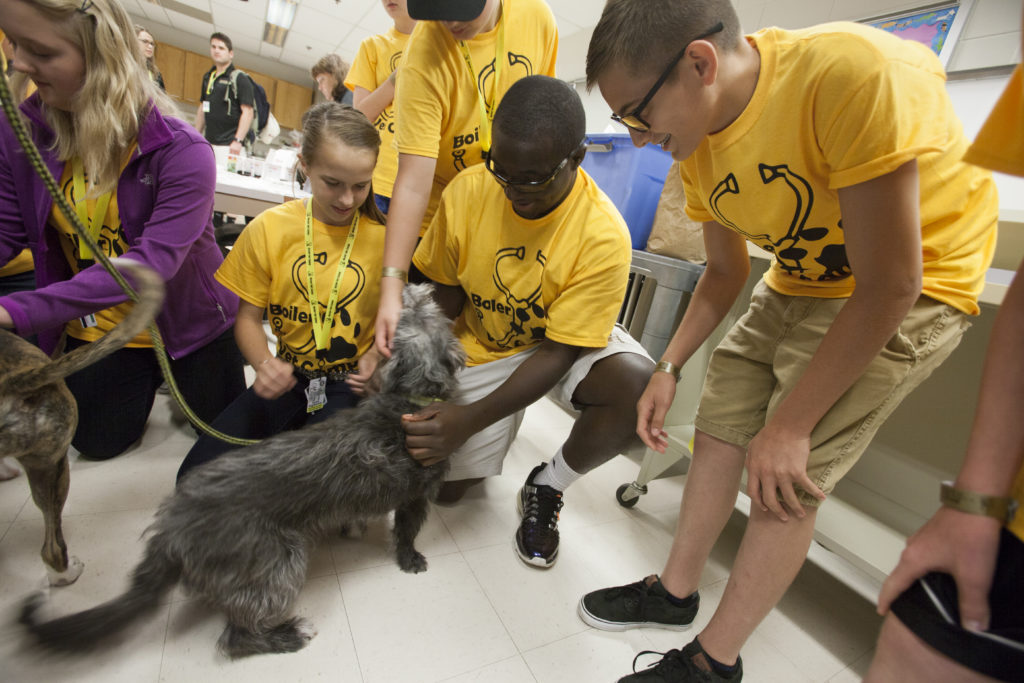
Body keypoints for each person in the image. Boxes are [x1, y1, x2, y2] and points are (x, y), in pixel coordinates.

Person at [578, 1, 999, 681]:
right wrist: (668, 364)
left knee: (783, 474)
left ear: (700, 63)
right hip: (804, 275)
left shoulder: (850, 75)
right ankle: (675, 593)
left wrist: (793, 424)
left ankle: (715, 662)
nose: (633, 136)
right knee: (719, 426)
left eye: (636, 112)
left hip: (913, 284)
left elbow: (890, 284)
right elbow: (724, 270)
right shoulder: (696, 137)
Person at [405, 75, 653, 568]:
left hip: (555, 346)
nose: (516, 193)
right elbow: (444, 293)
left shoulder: (604, 235)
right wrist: (419, 374)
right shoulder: (470, 189)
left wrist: (469, 420)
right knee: (447, 491)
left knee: (635, 386)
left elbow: (559, 351)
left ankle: (547, 485)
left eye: (534, 179)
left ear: (577, 159)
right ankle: (495, 427)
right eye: (504, 172)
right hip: (483, 339)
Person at [0, 0, 246, 461]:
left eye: (43, 53)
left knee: (219, 435)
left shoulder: (182, 151)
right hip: (103, 325)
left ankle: (172, 368)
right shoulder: (20, 133)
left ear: (103, 57)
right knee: (94, 441)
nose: (19, 64)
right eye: (16, 45)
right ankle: (146, 373)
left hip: (190, 320)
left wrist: (13, 310)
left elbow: (150, 267)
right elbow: (5, 231)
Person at [866, 9, 1024, 681]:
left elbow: (900, 279)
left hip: (933, 287)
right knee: (914, 653)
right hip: (1011, 521)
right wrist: (977, 497)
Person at [177, 102, 388, 481]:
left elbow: (401, 321)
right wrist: (264, 364)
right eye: (332, 183)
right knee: (196, 478)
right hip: (289, 376)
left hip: (349, 383)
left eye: (360, 186)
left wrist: (376, 358)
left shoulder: (388, 240)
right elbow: (247, 319)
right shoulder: (269, 229)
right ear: (304, 165)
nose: (346, 200)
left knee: (308, 484)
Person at [373, 0, 558, 357]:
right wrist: (392, 286)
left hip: (505, 219)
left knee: (494, 343)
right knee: (419, 354)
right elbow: (412, 182)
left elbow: (542, 117)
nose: (451, 21)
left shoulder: (537, 18)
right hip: (438, 226)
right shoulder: (424, 56)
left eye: (462, 7)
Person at [344, 0, 417, 215]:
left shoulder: (441, 47)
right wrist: (397, 79)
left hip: (421, 181)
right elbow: (360, 118)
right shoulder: (372, 47)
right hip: (377, 178)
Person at [194, 32, 253, 161]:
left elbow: (248, 112)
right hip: (208, 144)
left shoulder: (240, 78)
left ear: (230, 54)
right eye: (213, 47)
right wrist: (195, 136)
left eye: (221, 48)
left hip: (230, 147)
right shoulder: (208, 77)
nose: (216, 51)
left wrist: (238, 141)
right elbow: (203, 107)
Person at [134, 24, 164, 91]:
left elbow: (161, 98)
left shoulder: (155, 74)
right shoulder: (124, 66)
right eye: (145, 41)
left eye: (152, 44)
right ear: (133, 41)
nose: (150, 47)